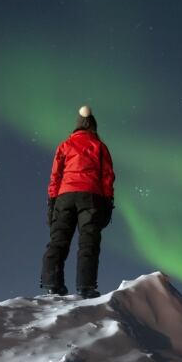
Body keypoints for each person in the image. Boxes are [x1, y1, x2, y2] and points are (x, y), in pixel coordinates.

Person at [40, 105, 115, 298]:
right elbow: (107, 177)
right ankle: (86, 287)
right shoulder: (99, 147)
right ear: (92, 126)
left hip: (65, 196)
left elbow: (55, 177)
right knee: (88, 243)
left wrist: (52, 203)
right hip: (91, 197)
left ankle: (52, 283)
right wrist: (108, 203)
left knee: (59, 240)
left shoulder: (64, 146)